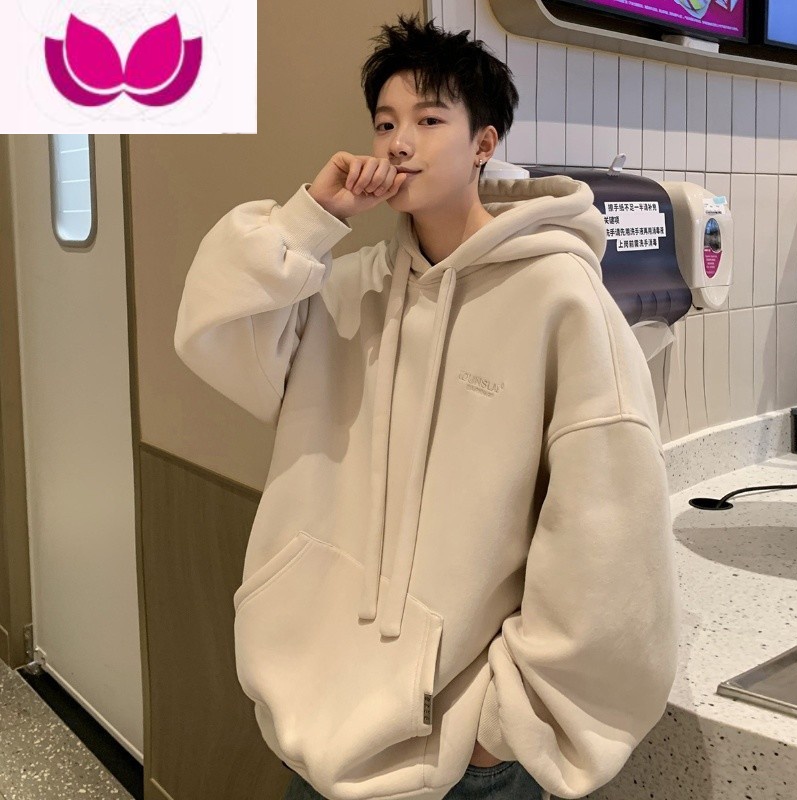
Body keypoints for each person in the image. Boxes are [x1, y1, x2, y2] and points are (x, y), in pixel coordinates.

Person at [174, 11, 680, 800]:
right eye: (385, 123)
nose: (398, 143)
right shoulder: (349, 290)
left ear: (484, 142)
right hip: (313, 719)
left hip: (461, 759)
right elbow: (213, 331)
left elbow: (607, 545)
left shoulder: (561, 298)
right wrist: (313, 217)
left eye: (429, 120)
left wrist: (501, 730)